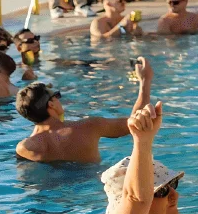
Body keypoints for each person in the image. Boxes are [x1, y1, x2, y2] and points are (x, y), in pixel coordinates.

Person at [14, 58, 152, 163]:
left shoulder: (24, 148)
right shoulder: (89, 127)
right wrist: (145, 81)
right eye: (57, 96)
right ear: (51, 104)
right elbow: (136, 122)